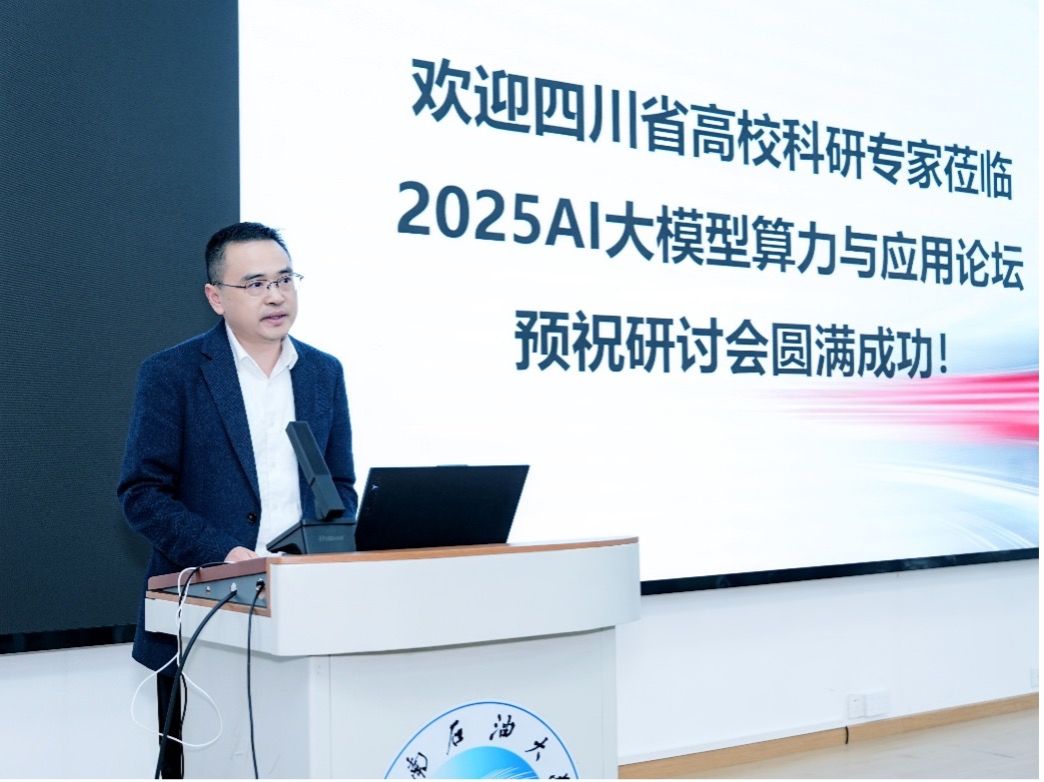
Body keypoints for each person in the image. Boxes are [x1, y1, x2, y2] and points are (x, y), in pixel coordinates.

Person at [117, 221, 358, 777]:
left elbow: (339, 485)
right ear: (216, 297)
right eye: (255, 284)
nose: (275, 296)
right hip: (205, 615)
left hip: (305, 612)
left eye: (284, 279)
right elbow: (142, 493)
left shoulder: (323, 373)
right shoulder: (173, 373)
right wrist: (225, 554)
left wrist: (322, 549)